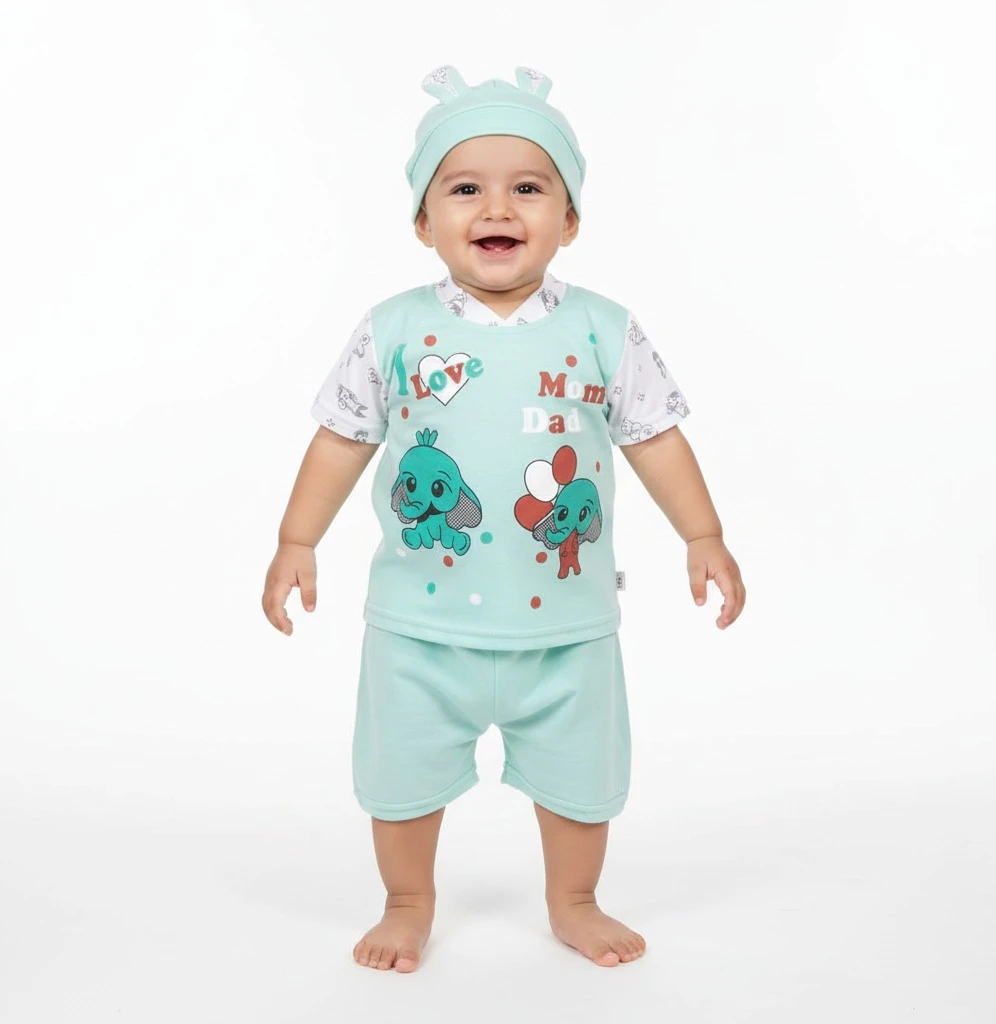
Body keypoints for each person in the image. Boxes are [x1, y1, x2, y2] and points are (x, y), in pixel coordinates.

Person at [262, 65, 746, 973]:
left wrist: (702, 535)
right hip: (419, 630)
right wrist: (297, 540)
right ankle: (407, 901)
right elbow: (339, 441)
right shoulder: (392, 330)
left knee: (582, 780)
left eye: (528, 188)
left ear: (570, 219)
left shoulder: (603, 330)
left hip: (566, 630)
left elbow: (655, 439)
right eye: (464, 189)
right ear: (423, 221)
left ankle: (575, 900)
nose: (497, 208)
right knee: (401, 780)